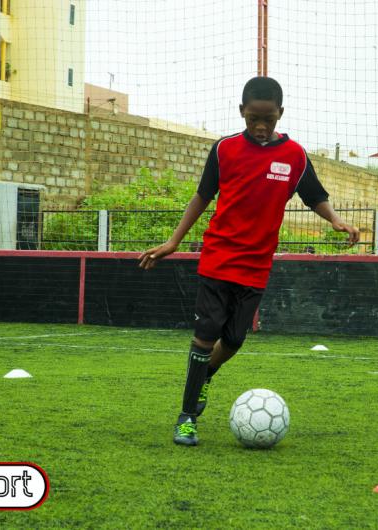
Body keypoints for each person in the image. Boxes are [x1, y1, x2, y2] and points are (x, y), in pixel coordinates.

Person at [139, 77, 360, 446]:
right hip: (217, 258)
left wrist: (335, 219)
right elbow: (202, 196)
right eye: (253, 118)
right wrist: (173, 241)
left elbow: (314, 196)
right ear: (241, 111)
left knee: (235, 339)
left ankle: (206, 374)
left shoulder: (295, 157)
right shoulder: (224, 149)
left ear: (280, 115)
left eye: (268, 119)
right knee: (204, 336)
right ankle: (187, 417)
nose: (260, 126)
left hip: (257, 265)